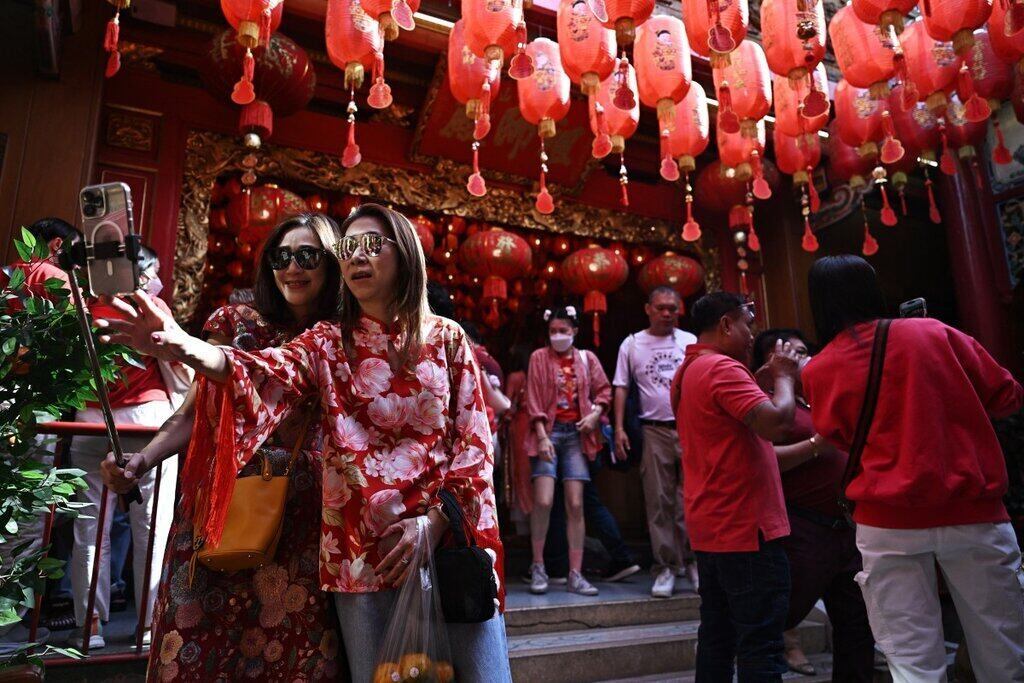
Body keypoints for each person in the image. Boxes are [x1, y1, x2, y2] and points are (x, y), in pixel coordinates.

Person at [95, 204, 511, 682]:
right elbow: (259, 372)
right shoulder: (326, 343)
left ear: (406, 255)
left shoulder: (448, 339)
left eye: (371, 245)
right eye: (349, 247)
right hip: (359, 553)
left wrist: (437, 522)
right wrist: (178, 344)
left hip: (445, 543)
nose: (357, 256)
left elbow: (476, 446)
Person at [102, 214, 345, 679]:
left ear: (332, 263)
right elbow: (195, 412)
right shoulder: (236, 320)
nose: (293, 267)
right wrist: (142, 460)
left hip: (303, 517)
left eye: (308, 255)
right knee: (196, 644)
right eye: (282, 256)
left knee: (291, 653)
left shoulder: (336, 336)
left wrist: (177, 346)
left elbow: (260, 372)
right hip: (219, 502)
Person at [802, 255, 1024, 683]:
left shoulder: (820, 368)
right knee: (1004, 655)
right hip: (973, 512)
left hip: (886, 524)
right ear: (872, 290)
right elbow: (1007, 397)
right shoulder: (935, 333)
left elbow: (841, 437)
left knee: (912, 663)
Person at [670, 292, 801, 682]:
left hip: (714, 527)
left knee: (718, 637)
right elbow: (777, 422)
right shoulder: (722, 369)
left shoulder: (690, 369)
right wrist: (783, 377)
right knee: (761, 643)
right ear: (727, 324)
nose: (750, 334)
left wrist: (760, 381)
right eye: (747, 323)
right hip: (745, 528)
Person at [65, 245, 179, 651]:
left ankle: (89, 625)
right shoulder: (150, 306)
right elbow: (178, 362)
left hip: (93, 416)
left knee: (90, 526)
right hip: (147, 418)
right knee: (150, 526)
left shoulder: (77, 308)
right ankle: (149, 626)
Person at [752, 329, 875, 682]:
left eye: (803, 351)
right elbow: (762, 462)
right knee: (776, 618)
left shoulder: (826, 395)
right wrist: (818, 444)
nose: (797, 360)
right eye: (786, 354)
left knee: (856, 624)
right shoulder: (763, 400)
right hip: (801, 527)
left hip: (848, 525)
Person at [613, 286, 697, 598]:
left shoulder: (690, 341)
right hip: (653, 430)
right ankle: (665, 567)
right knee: (659, 500)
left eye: (672, 309)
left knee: (691, 498)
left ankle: (693, 560)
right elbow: (620, 386)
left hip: (690, 428)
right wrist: (619, 428)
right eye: (661, 308)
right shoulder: (633, 343)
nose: (666, 314)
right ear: (648, 308)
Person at [524, 306, 611, 597]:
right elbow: (533, 399)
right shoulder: (538, 358)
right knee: (544, 500)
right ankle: (538, 566)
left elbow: (604, 391)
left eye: (563, 331)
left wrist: (595, 414)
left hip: (577, 434)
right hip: (548, 433)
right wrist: (541, 436)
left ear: (574, 331)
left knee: (576, 503)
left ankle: (576, 572)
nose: (558, 336)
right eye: (553, 332)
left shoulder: (587, 359)